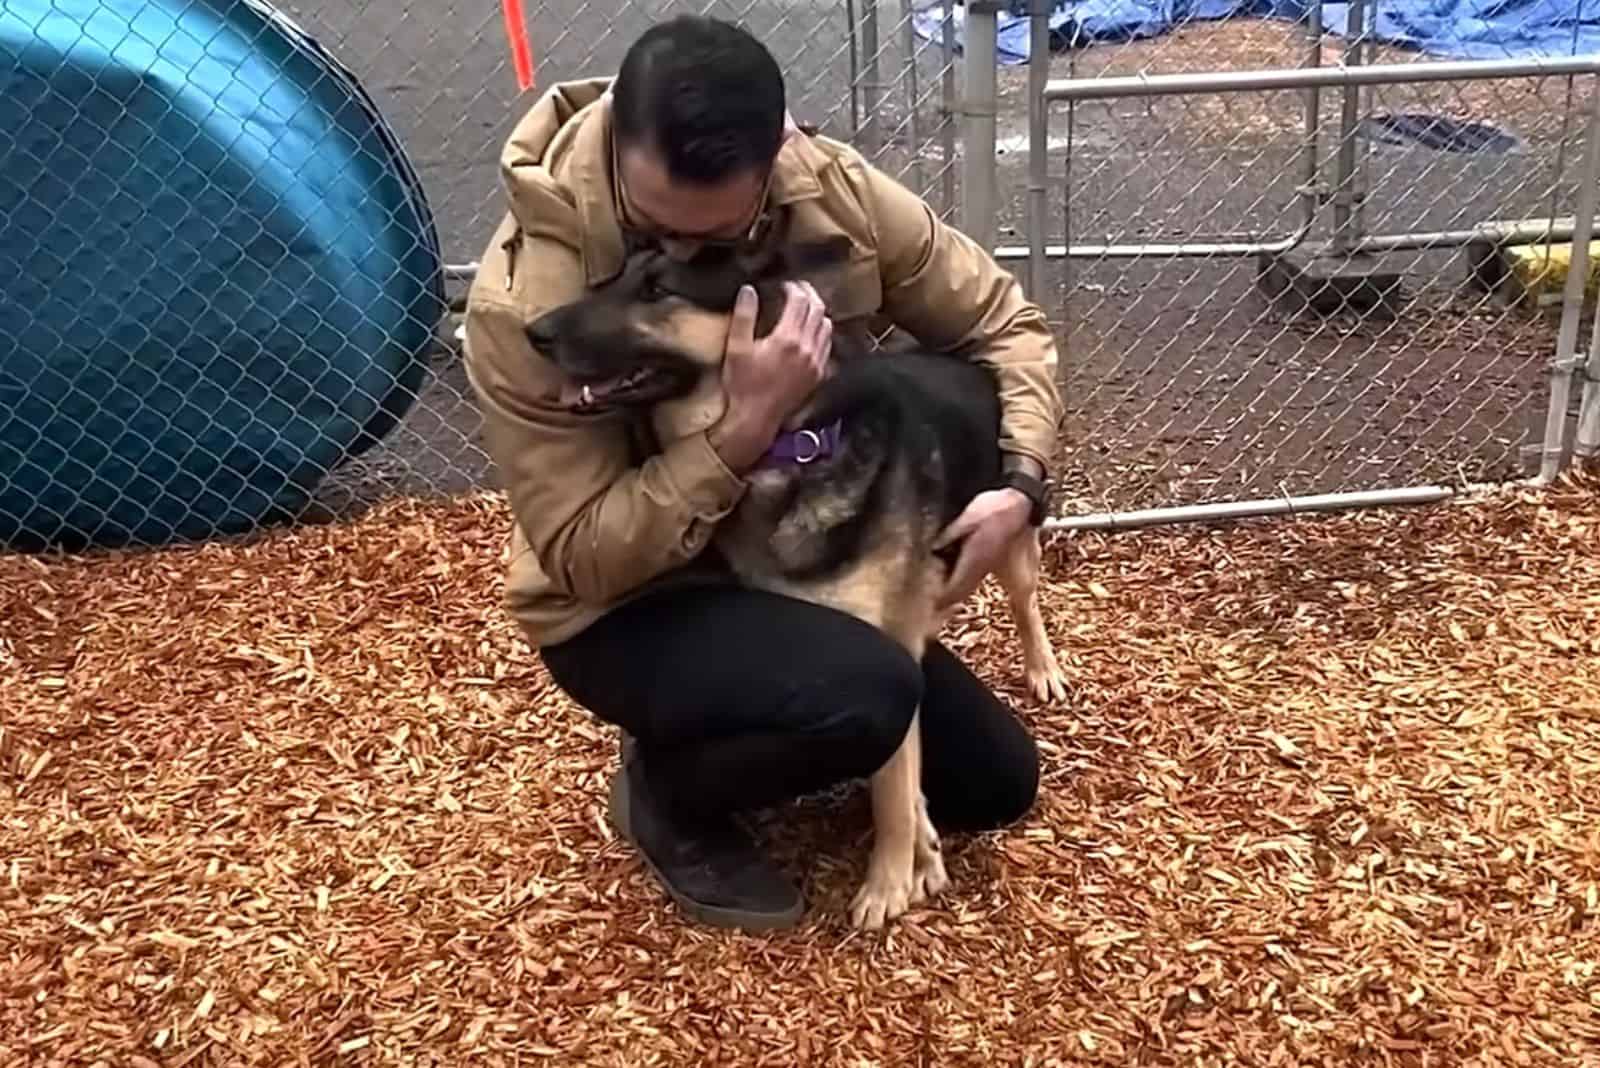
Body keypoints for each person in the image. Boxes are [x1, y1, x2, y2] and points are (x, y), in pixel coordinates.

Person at [462, 14, 1064, 931]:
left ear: (774, 148)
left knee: (996, 785)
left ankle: (787, 697)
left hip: (796, 550)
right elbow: (584, 555)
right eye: (660, 234)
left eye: (724, 232)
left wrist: (1019, 484)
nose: (688, 253)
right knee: (862, 696)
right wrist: (736, 434)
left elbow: (1003, 325)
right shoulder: (526, 307)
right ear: (618, 143)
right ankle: (669, 791)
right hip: (634, 599)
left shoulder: (827, 188)